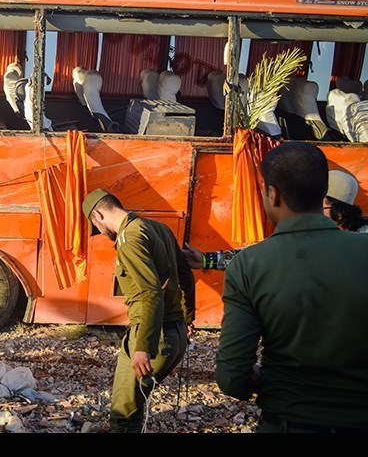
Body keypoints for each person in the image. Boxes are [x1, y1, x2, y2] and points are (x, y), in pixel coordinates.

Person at [215, 142, 368, 433]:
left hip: (289, 421)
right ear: (322, 193)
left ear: (273, 194)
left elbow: (232, 377)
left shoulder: (249, 265)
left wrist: (265, 378)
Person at [82, 188, 195, 433]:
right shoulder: (159, 228)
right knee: (135, 404)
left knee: (123, 416)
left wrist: (144, 347)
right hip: (174, 334)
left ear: (99, 216)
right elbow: (185, 274)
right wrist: (187, 317)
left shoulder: (130, 238)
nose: (102, 234)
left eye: (97, 228)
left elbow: (150, 293)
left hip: (153, 336)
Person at [183, 168, 367, 270]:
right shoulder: (307, 236)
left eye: (318, 207)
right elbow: (261, 255)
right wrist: (206, 260)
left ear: (340, 213)